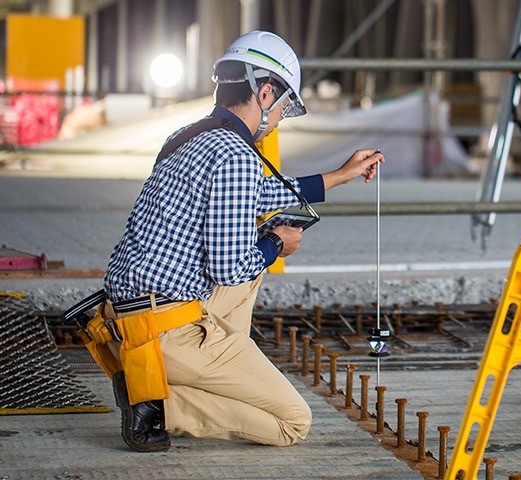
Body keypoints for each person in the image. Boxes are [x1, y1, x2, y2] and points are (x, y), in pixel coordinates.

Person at [101, 30, 384, 452]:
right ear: (266, 92)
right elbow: (229, 269)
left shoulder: (187, 137)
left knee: (248, 256)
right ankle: (159, 404)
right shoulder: (237, 155)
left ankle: (218, 366)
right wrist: (275, 244)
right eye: (284, 106)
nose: (280, 116)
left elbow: (261, 192)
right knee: (292, 421)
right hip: (169, 331)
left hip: (125, 316)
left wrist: (339, 175)